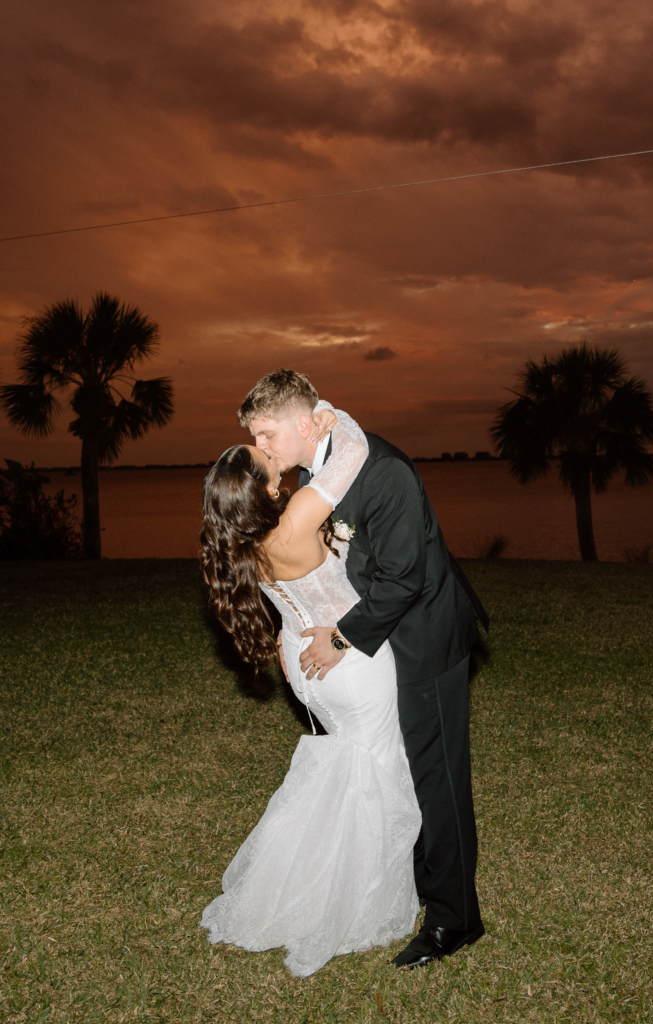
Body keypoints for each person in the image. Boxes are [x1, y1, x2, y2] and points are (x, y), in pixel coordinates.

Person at [240, 369, 489, 970]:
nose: (263, 448)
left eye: (268, 433)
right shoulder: (328, 467)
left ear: (306, 423)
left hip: (424, 637)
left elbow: (403, 578)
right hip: (382, 643)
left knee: (438, 778)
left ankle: (454, 920)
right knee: (399, 767)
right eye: (255, 436)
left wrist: (342, 636)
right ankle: (404, 875)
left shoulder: (385, 473)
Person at [199, 397, 422, 977]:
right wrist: (323, 411)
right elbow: (352, 451)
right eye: (263, 454)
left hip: (303, 664)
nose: (272, 451)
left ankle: (304, 880)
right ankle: (363, 898)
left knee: (341, 770)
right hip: (349, 664)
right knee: (377, 771)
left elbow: (287, 600)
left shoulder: (240, 542)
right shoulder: (295, 517)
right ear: (265, 487)